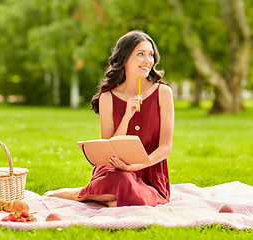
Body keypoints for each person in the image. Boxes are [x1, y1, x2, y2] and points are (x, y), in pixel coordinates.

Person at [49, 30, 174, 207]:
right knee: (122, 181)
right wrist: (127, 117)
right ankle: (106, 195)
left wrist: (134, 167)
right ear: (125, 58)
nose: (148, 60)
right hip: (114, 170)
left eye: (151, 54)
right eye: (140, 54)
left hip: (150, 174)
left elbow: (165, 148)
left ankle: (88, 195)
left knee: (140, 197)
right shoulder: (107, 97)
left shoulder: (163, 92)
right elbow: (108, 146)